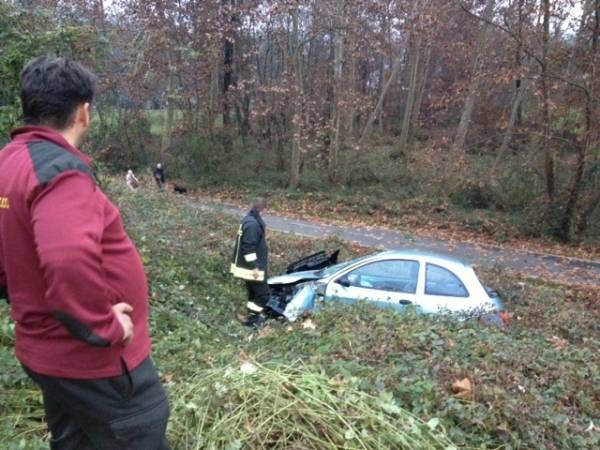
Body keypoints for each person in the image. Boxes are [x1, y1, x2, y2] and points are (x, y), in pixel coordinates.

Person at [0, 56, 170, 449]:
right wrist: (102, 326)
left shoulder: (9, 164)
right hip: (96, 363)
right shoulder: (60, 171)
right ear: (84, 113)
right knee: (139, 432)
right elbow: (67, 258)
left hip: (47, 353)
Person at [231, 198, 271, 327]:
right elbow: (248, 247)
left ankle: (252, 317)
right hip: (252, 269)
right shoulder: (253, 224)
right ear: (263, 209)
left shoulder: (250, 221)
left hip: (249, 267)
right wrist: (254, 266)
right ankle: (252, 320)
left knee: (253, 294)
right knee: (264, 295)